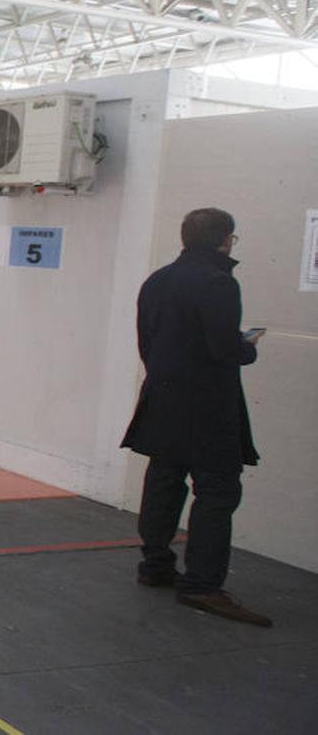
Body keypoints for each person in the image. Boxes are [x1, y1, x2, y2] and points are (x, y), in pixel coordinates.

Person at [122, 208, 271, 627]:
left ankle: (155, 565)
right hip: (207, 407)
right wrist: (250, 347)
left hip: (163, 397)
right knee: (218, 491)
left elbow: (147, 341)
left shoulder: (157, 280)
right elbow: (224, 349)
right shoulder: (219, 283)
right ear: (224, 239)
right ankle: (203, 584)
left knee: (164, 479)